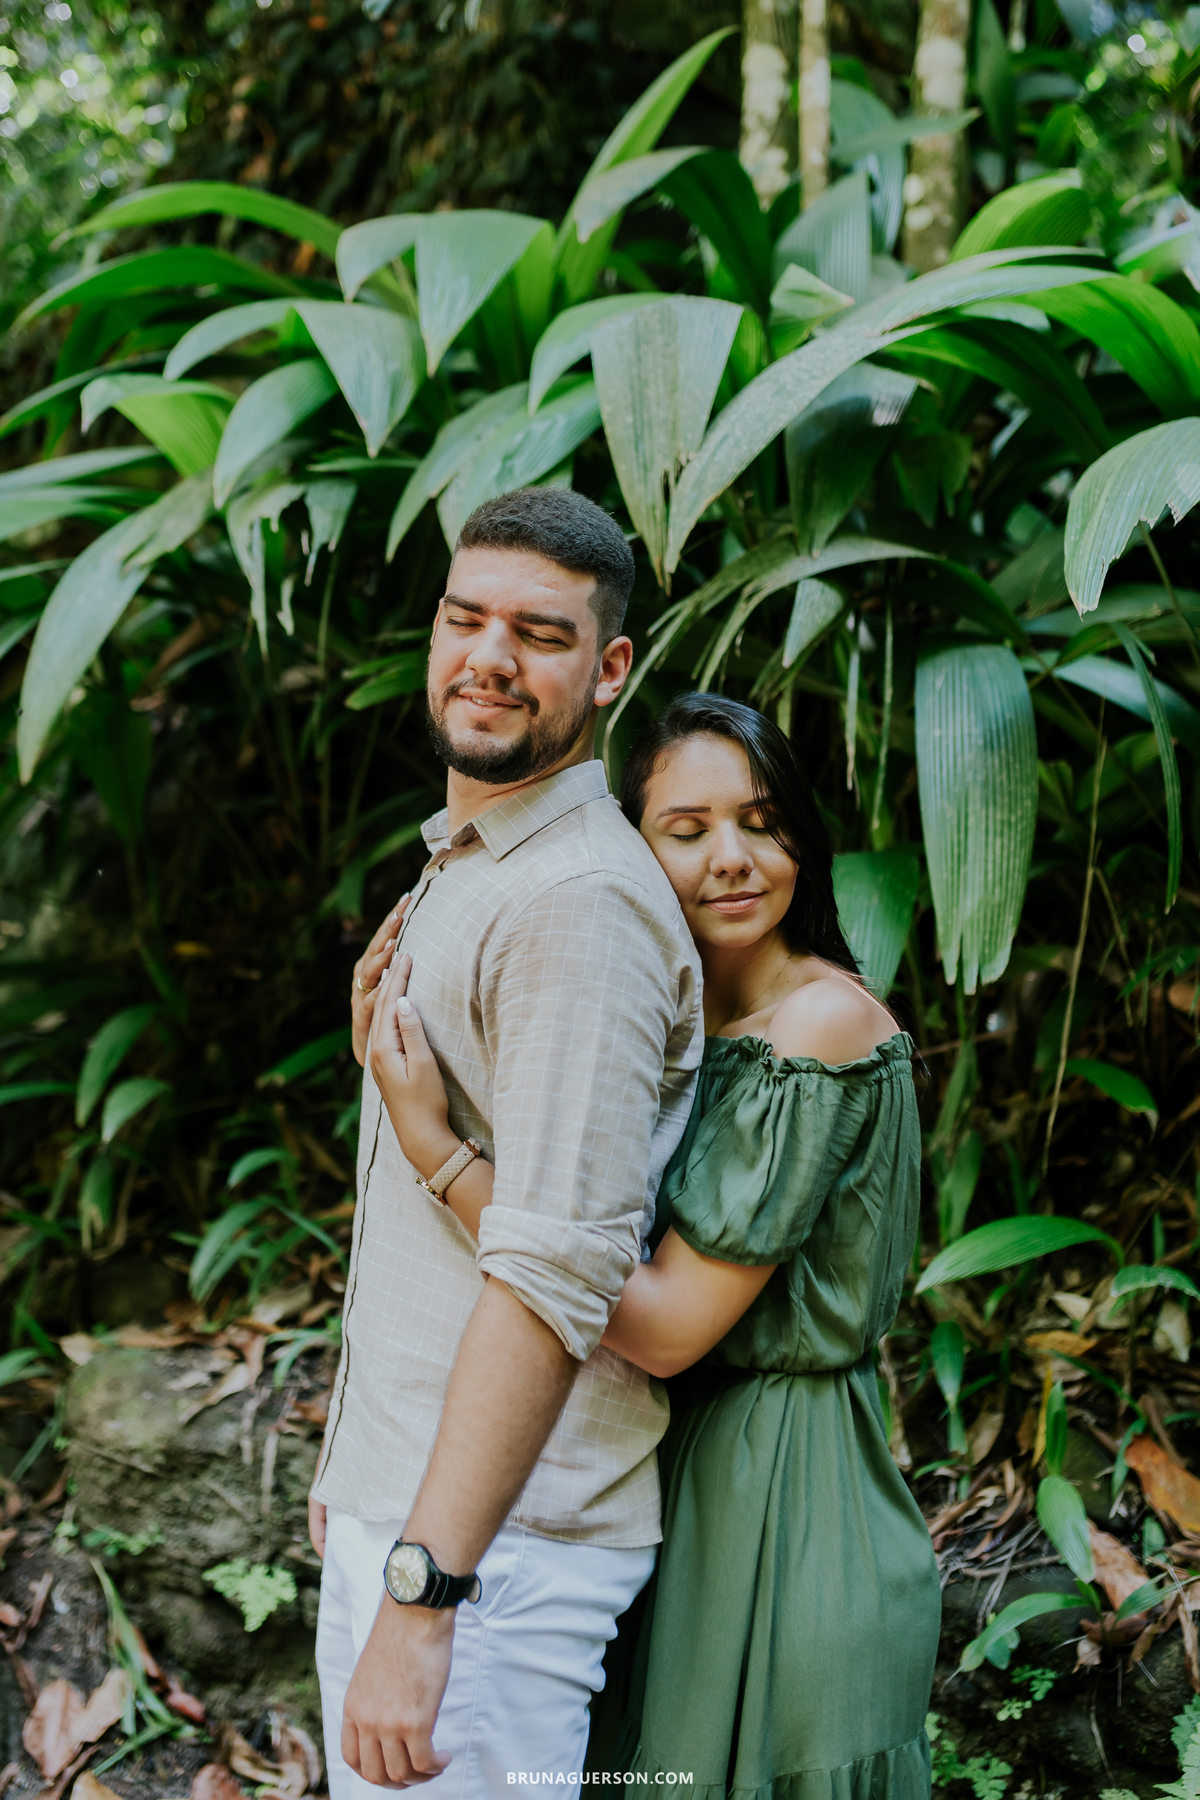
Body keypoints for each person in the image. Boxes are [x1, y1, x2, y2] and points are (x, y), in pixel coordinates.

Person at [371, 692, 942, 1800]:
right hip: (670, 1479)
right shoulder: (674, 1026)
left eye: (762, 822)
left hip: (788, 1490)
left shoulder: (818, 1026)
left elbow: (672, 1328)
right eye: (685, 831)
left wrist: (434, 1150)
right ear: (630, 844)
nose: (731, 858)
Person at [311, 488, 703, 1799]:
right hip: (427, 1521)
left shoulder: (574, 902)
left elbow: (550, 1273)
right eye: (462, 618)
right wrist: (352, 1476)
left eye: (537, 633)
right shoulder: (475, 858)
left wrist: (423, 1594)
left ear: (608, 671)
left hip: (491, 1562)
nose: (486, 655)